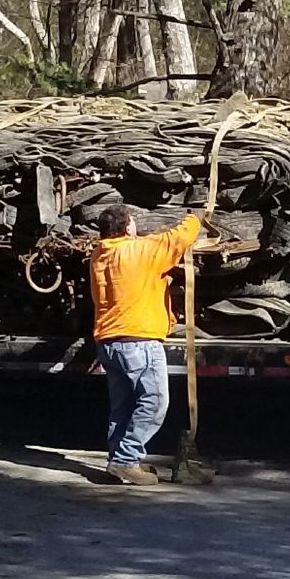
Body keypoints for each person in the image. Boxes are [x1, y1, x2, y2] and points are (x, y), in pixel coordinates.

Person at [88, 204, 202, 484]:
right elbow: (179, 237)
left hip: (109, 342)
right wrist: (195, 217)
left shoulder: (100, 254)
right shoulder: (139, 251)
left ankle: (118, 461)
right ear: (128, 227)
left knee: (123, 407)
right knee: (154, 403)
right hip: (138, 342)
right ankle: (127, 460)